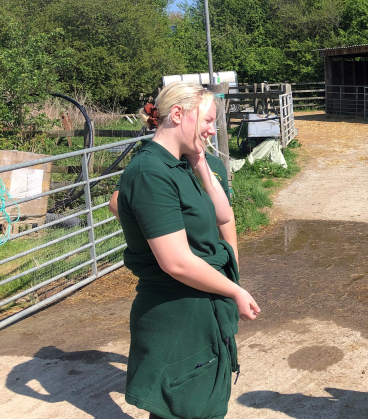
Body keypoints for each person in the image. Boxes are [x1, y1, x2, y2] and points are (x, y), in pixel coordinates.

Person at [116, 81, 260, 419]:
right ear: (178, 114)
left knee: (202, 405)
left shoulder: (181, 166)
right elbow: (176, 262)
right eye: (208, 120)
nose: (212, 130)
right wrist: (235, 290)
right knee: (184, 408)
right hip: (176, 312)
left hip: (200, 306)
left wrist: (200, 164)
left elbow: (223, 215)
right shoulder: (150, 172)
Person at [109, 147, 240, 265]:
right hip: (171, 261)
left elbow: (226, 217)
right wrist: (162, 234)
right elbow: (115, 203)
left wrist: (234, 262)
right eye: (205, 121)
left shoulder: (215, 164)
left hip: (207, 257)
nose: (211, 129)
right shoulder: (152, 164)